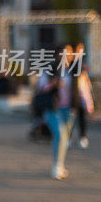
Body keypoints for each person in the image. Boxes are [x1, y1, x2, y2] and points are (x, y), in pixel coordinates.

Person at [42, 44, 80, 179]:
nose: (67, 56)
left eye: (69, 53)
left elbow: (82, 88)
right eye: (63, 53)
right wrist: (53, 84)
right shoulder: (50, 69)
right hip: (53, 109)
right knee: (60, 135)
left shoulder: (74, 70)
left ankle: (60, 165)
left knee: (64, 139)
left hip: (69, 109)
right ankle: (56, 167)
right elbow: (41, 87)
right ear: (57, 55)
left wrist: (89, 107)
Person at [74, 42, 94, 149]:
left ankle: (82, 137)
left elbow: (86, 87)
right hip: (73, 98)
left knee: (81, 119)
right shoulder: (71, 65)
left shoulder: (82, 66)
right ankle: (69, 138)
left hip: (81, 97)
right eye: (78, 49)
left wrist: (89, 103)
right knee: (71, 121)